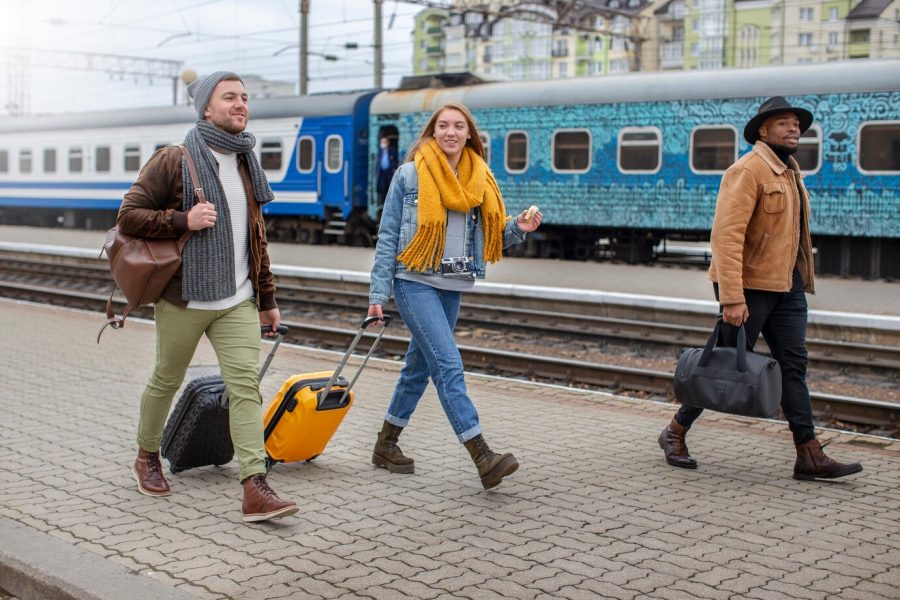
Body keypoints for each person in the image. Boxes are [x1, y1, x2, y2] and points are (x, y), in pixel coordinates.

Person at [118, 71, 299, 522]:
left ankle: (254, 485)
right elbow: (129, 215)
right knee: (165, 379)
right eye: (229, 98)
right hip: (184, 299)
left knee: (245, 389)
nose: (241, 104)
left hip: (236, 299)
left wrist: (267, 299)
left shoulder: (245, 161)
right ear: (206, 109)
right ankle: (146, 456)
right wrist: (183, 220)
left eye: (244, 97)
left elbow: (255, 239)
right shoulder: (173, 158)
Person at [658, 96, 862, 481]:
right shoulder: (747, 170)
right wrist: (732, 297)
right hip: (749, 289)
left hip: (786, 288)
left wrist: (798, 282)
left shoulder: (790, 173)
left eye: (796, 123)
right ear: (763, 131)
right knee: (721, 366)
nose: (793, 128)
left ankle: (809, 455)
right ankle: (674, 432)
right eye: (783, 123)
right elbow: (726, 236)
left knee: (793, 368)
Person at [367, 103, 542, 490]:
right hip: (413, 280)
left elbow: (489, 237)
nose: (450, 132)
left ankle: (386, 444)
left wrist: (519, 227)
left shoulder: (479, 178)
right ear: (432, 132)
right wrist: (378, 292)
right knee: (448, 366)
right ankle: (482, 454)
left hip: (453, 283)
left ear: (469, 134)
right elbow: (387, 236)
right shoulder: (409, 175)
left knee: (419, 367)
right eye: (442, 125)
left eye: (458, 126)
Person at [376, 135, 399, 212]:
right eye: (381, 142)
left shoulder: (392, 150)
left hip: (390, 172)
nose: (383, 144)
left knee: (390, 186)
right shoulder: (380, 152)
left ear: (388, 143)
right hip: (382, 172)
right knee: (382, 187)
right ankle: (382, 202)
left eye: (384, 142)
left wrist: (394, 168)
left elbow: (396, 160)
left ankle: (391, 202)